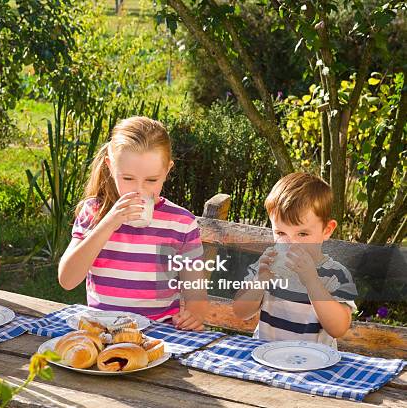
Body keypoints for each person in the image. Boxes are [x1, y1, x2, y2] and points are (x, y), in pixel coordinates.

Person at [58, 116, 208, 330]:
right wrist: (108, 224)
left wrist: (193, 316)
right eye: (128, 179)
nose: (140, 190)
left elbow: (197, 296)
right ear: (110, 166)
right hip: (103, 331)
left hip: (160, 335)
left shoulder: (181, 223)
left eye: (151, 180)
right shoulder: (94, 213)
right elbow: (67, 279)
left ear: (167, 171)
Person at [232, 172, 357, 347]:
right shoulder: (266, 265)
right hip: (268, 358)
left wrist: (312, 281)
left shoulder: (335, 274)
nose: (290, 244)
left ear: (327, 230)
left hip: (314, 364)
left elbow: (338, 329)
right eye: (281, 233)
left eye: (303, 234)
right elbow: (240, 312)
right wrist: (260, 281)